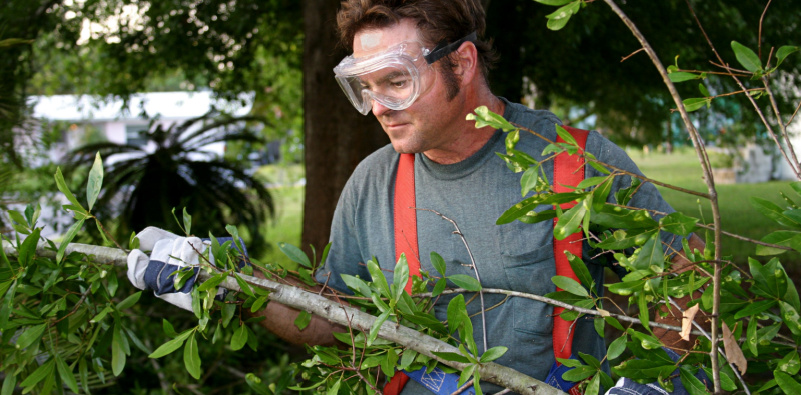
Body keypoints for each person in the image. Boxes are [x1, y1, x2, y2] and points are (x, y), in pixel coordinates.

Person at [127, 0, 706, 394]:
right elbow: (335, 320)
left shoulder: (576, 164)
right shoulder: (372, 184)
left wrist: (656, 379)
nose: (379, 106)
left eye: (397, 81)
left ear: (461, 61)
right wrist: (233, 284)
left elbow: (686, 275)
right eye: (366, 87)